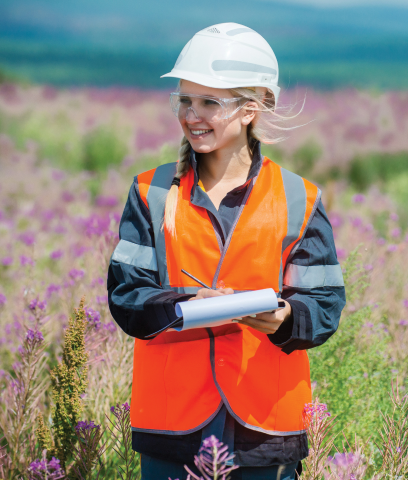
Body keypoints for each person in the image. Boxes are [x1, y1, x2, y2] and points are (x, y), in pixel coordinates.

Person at [107, 23, 345, 479]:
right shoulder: (151, 192)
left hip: (265, 430)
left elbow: (325, 305)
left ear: (252, 108)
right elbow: (125, 297)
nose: (191, 115)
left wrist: (285, 320)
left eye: (209, 102)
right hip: (172, 430)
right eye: (185, 100)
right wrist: (184, 305)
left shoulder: (299, 198)